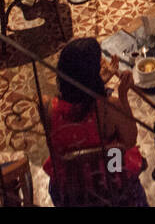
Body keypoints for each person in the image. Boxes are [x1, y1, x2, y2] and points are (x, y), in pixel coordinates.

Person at [43, 37, 146, 207]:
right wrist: (123, 96)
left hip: (71, 190)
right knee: (123, 155)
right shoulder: (109, 108)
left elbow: (75, 100)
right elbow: (130, 140)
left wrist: (96, 84)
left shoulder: (47, 107)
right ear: (92, 76)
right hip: (112, 184)